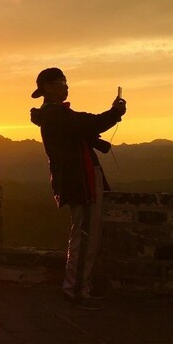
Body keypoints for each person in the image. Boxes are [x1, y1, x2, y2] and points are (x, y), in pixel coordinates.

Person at [29, 68, 126, 310]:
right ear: (48, 88)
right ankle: (76, 291)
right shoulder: (56, 115)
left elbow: (85, 126)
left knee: (83, 234)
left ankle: (80, 288)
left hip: (79, 180)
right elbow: (89, 123)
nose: (66, 86)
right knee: (84, 237)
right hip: (79, 181)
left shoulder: (58, 115)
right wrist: (115, 112)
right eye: (62, 82)